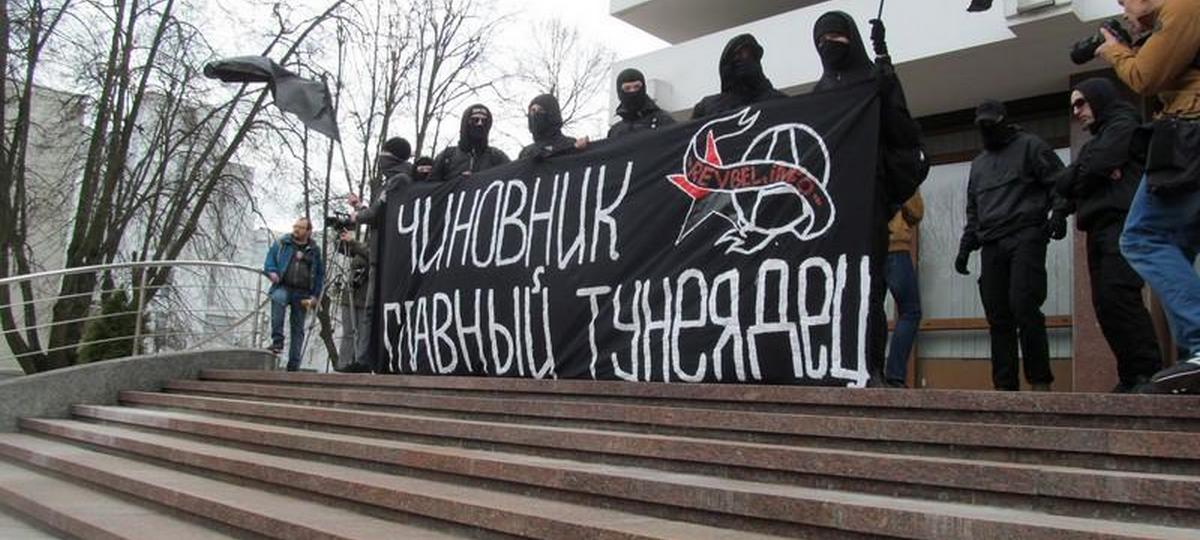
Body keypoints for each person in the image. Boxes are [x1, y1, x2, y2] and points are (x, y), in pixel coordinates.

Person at [811, 12, 929, 386]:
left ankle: (872, 367)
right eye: (821, 39)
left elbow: (903, 134)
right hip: (831, 208)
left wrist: (886, 68)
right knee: (833, 291)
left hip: (870, 203)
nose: (829, 44)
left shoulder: (874, 80)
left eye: (836, 36)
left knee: (870, 290)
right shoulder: (818, 94)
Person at [1095, 0, 1200, 391]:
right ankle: (1194, 359)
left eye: (1125, 0)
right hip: (1186, 132)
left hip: (1190, 131)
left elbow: (1145, 77)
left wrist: (1114, 51)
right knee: (1178, 244)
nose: (1123, 8)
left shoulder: (1184, 6)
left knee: (1143, 237)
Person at [1050, 78, 1162, 392]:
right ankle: (1130, 375)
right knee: (1105, 304)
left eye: (1081, 103)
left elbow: (1097, 163)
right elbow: (1067, 181)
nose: (1077, 112)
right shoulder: (1096, 141)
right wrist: (1087, 175)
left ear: (1099, 99)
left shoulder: (1123, 124)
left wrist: (1083, 173)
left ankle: (1148, 373)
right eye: (1073, 106)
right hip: (1098, 226)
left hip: (1122, 223)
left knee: (1120, 295)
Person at [956, 99, 1065, 392]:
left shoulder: (1031, 146)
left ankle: (1039, 380)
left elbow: (1059, 182)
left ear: (1003, 121)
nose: (986, 130)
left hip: (1025, 234)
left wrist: (1059, 212)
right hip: (991, 242)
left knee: (1024, 305)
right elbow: (974, 209)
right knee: (998, 315)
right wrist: (966, 246)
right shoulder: (979, 165)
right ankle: (1004, 387)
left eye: (991, 124)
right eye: (981, 126)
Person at [347, 138, 414, 372]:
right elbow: (379, 212)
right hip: (379, 255)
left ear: (392, 157)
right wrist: (360, 207)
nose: (380, 160)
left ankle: (371, 359)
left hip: (388, 257)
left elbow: (377, 213)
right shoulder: (390, 183)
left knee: (376, 310)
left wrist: (357, 216)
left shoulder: (400, 180)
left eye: (383, 155)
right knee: (371, 311)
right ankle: (364, 358)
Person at [263, 217, 325, 372]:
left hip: (303, 292)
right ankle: (277, 341)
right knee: (277, 299)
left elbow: (319, 274)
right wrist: (272, 272)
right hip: (283, 285)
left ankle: (294, 364)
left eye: (301, 227)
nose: (296, 229)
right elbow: (269, 260)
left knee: (298, 328)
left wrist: (315, 296)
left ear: (308, 231)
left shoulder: (314, 250)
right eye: (295, 226)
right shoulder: (283, 243)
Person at [691, 34, 786, 119]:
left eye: (749, 56)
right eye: (737, 56)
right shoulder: (707, 106)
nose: (743, 60)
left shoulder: (779, 101)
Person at [884, 193, 924, 388]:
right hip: (895, 245)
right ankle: (894, 375)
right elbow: (916, 211)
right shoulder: (900, 173)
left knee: (870, 313)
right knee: (910, 312)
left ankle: (869, 371)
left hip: (866, 246)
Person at [428, 104, 510, 182]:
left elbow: (513, 177)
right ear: (466, 123)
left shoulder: (497, 158)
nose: (480, 124)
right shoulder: (447, 157)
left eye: (484, 121)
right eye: (475, 120)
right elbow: (431, 187)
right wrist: (456, 181)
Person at [334, 229, 371, 372]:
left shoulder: (375, 246)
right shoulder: (359, 248)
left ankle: (359, 363)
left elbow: (370, 254)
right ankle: (343, 364)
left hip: (365, 296)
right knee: (348, 332)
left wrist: (353, 242)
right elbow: (342, 249)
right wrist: (340, 235)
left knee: (362, 333)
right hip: (350, 294)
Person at [607, 68, 676, 139]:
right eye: (627, 88)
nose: (632, 91)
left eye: (636, 87)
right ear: (619, 92)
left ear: (644, 88)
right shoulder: (615, 132)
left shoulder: (664, 122)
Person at [519, 94, 588, 160]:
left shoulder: (570, 144)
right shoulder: (526, 153)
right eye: (533, 111)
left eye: (540, 110)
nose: (536, 114)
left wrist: (576, 148)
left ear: (552, 114)